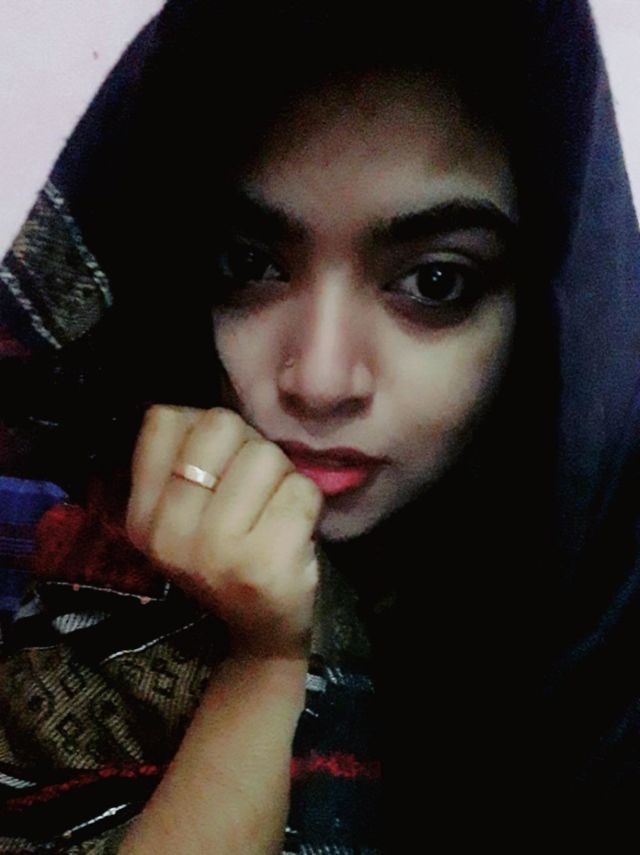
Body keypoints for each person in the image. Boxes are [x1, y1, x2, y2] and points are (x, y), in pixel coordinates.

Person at [0, 0, 638, 850]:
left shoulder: (611, 613)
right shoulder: (102, 563)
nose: (320, 381)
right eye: (250, 263)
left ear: (549, 309)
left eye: (436, 281)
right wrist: (263, 663)